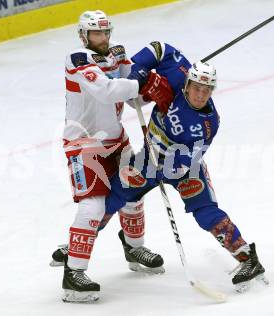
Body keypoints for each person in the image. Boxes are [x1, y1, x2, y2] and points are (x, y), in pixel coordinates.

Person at [105, 42, 268, 293]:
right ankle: (77, 252)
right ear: (188, 83)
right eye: (197, 88)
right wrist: (139, 66)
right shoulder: (176, 75)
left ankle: (247, 258)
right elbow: (160, 48)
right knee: (114, 195)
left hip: (182, 170)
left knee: (206, 212)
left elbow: (189, 159)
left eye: (207, 90)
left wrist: (166, 159)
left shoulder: (208, 122)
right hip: (149, 159)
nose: (201, 95)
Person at [59, 11, 173, 303]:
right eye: (97, 34)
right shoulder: (77, 60)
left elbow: (132, 93)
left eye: (106, 32)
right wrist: (140, 83)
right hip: (84, 144)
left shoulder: (116, 54)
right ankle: (74, 273)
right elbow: (108, 91)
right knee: (93, 206)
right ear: (84, 35)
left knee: (133, 191)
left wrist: (150, 89)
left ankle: (134, 248)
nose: (104, 38)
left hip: (116, 139)